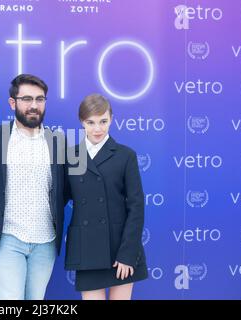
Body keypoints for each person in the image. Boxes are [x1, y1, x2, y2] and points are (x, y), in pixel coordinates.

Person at [0, 74, 67, 300]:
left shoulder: (57, 141)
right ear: (13, 102)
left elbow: (64, 191)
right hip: (7, 238)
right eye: (27, 99)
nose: (34, 105)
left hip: (45, 240)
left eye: (40, 99)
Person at [65, 94, 148, 300]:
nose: (97, 129)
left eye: (103, 121)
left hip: (120, 249)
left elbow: (136, 207)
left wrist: (128, 254)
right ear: (81, 122)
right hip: (87, 248)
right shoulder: (70, 156)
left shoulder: (126, 155)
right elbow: (58, 199)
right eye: (90, 122)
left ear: (111, 119)